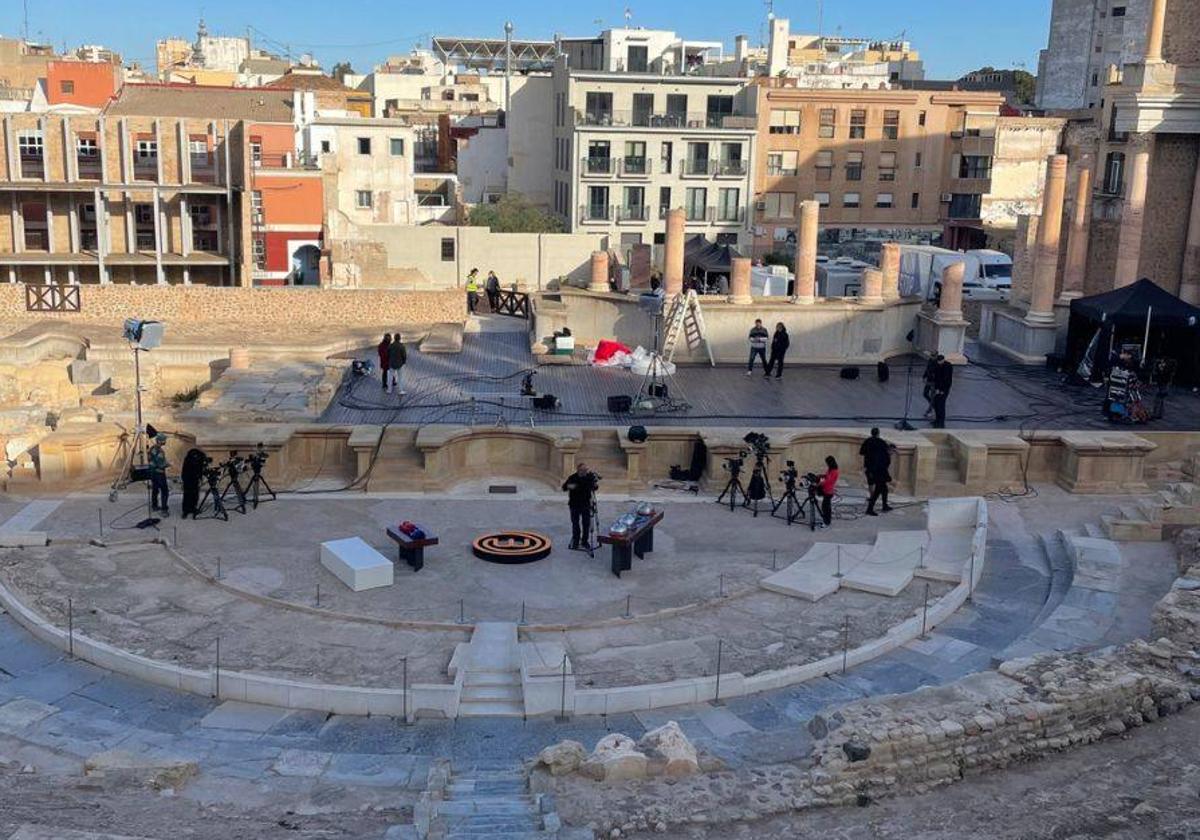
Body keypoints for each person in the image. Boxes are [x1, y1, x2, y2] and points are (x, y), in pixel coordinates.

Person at [562, 462, 600, 550]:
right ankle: (576, 540)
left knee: (586, 524)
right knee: (575, 524)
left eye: (586, 470)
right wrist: (574, 487)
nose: (585, 472)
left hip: (586, 504)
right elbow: (564, 487)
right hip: (574, 504)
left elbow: (595, 487)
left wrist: (594, 484)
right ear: (578, 470)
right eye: (583, 470)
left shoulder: (589, 478)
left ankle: (584, 541)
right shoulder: (573, 478)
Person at [859, 427, 895, 516]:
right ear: (878, 433)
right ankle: (871, 509)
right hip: (878, 474)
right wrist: (888, 478)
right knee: (878, 492)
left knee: (882, 489)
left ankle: (884, 505)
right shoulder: (883, 448)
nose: (893, 453)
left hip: (870, 469)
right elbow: (882, 467)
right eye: (893, 451)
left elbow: (861, 452)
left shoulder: (867, 441)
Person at [180, 448, 207, 519]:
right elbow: (184, 470)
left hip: (195, 479)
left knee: (195, 494)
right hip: (188, 479)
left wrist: (200, 478)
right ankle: (186, 510)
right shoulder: (189, 459)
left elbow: (200, 469)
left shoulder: (200, 458)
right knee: (187, 494)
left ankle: (193, 508)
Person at [148, 432, 170, 517]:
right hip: (159, 474)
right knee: (164, 491)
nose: (165, 441)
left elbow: (151, 460)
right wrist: (169, 464)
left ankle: (154, 506)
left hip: (152, 473)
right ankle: (164, 510)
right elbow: (161, 464)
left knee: (155, 489)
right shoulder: (160, 451)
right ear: (161, 441)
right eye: (164, 440)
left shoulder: (152, 448)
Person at [816, 455, 839, 529]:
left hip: (828, 491)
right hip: (826, 490)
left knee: (826, 507)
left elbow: (828, 481)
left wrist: (819, 484)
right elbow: (826, 476)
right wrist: (821, 476)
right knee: (825, 507)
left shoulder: (834, 471)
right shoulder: (830, 469)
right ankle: (826, 520)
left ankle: (827, 522)